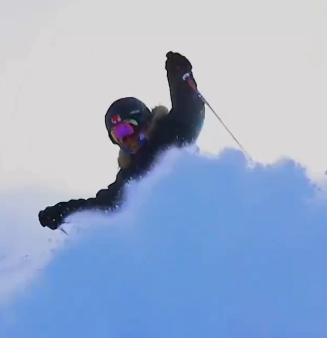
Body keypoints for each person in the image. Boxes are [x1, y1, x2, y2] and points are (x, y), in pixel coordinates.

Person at [37, 51, 206, 230]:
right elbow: (105, 206)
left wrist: (180, 77)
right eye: (117, 136)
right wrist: (63, 211)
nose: (125, 140)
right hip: (169, 231)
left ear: (144, 122)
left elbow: (189, 111)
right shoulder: (131, 174)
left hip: (197, 215)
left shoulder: (170, 135)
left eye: (126, 129)